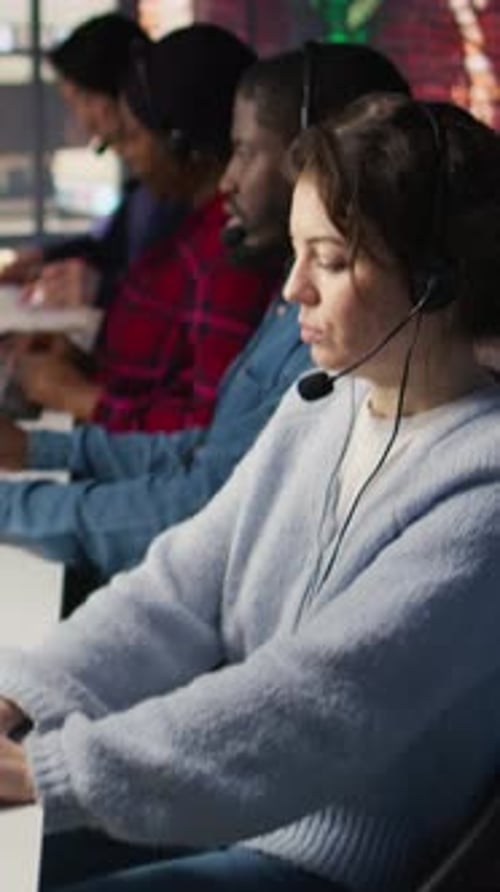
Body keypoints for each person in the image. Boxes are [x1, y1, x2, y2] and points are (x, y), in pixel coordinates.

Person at [2, 92, 500, 892]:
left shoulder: (485, 491)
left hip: (329, 861)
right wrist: (21, 697)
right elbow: (178, 586)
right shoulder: (326, 401)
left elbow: (312, 702)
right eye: (295, 256)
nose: (292, 290)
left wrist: (48, 771)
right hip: (244, 812)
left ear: (435, 283)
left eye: (330, 261)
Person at [0, 43, 411, 582]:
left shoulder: (332, 333)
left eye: (243, 152)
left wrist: (18, 499)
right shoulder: (288, 300)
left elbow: (203, 504)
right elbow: (209, 453)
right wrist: (39, 447)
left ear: (319, 165)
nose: (226, 181)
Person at [11, 24, 279, 430]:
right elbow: (167, 368)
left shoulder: (224, 254)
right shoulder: (189, 226)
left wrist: (79, 396)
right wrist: (86, 363)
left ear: (184, 145)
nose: (127, 154)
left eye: (133, 138)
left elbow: (207, 433)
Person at [0, 14, 181, 309]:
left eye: (80, 100)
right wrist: (44, 259)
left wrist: (104, 290)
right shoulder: (142, 192)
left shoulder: (173, 184)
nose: (82, 120)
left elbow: (169, 291)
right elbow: (108, 247)